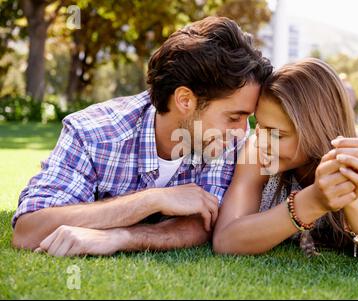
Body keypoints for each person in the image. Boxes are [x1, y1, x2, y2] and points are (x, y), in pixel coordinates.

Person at [12, 16, 272, 257]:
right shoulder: (92, 132)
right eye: (233, 116)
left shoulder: (227, 139)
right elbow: (28, 230)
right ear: (185, 100)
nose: (242, 130)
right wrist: (151, 200)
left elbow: (202, 225)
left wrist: (119, 237)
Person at [213, 58, 358, 265]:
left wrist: (352, 198)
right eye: (260, 127)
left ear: (316, 131)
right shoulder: (256, 153)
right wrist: (312, 201)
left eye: (278, 135)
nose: (262, 142)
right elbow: (225, 241)